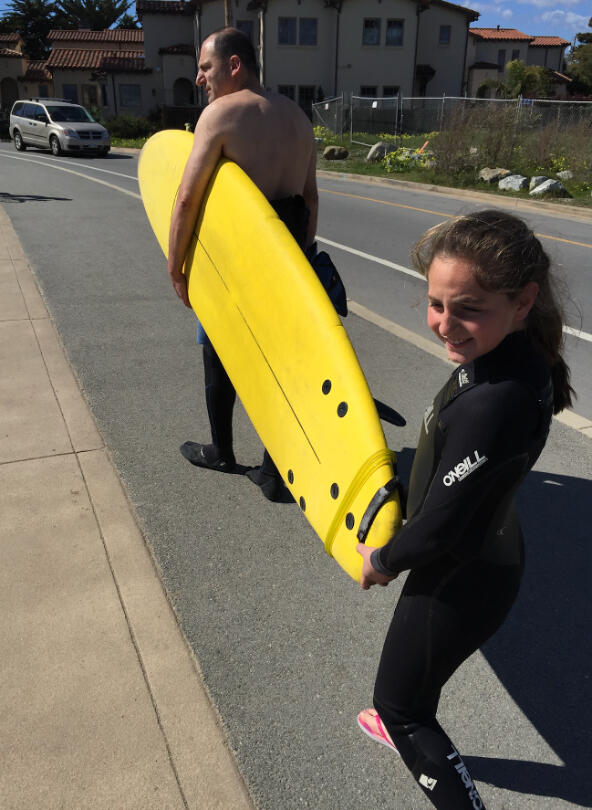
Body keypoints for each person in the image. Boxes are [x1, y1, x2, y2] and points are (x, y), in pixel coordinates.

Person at [355, 210, 574, 809]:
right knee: (410, 691)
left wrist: (383, 559)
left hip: (461, 573)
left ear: (523, 300)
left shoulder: (496, 402)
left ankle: (408, 728)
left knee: (403, 710)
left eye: (468, 308)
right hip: (483, 547)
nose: (445, 325)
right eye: (436, 304)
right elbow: (458, 482)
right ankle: (407, 711)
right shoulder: (517, 357)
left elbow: (444, 525)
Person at [168, 27, 318, 501]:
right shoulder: (298, 118)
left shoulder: (221, 115)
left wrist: (177, 267)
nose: (199, 79)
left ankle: (222, 450)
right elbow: (310, 198)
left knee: (219, 357)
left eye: (206, 68)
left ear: (235, 65)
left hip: (235, 265)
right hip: (288, 259)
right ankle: (276, 470)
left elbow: (187, 197)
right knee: (278, 365)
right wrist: (298, 265)